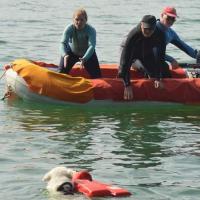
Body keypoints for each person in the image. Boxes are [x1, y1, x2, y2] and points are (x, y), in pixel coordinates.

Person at [118, 15, 171, 100]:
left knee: (165, 68)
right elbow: (125, 60)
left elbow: (160, 57)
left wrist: (158, 78)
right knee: (122, 71)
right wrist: (127, 85)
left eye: (151, 30)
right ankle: (124, 80)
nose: (148, 32)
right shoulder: (134, 34)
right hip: (129, 52)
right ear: (141, 25)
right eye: (146, 29)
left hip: (145, 53)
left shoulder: (160, 35)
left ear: (155, 28)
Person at [59, 8, 101, 78]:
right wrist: (64, 55)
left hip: (87, 54)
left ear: (86, 20)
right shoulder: (69, 29)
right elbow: (63, 43)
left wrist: (85, 58)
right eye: (77, 19)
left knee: (97, 77)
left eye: (82, 20)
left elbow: (92, 46)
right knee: (60, 74)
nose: (79, 22)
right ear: (73, 20)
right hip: (71, 53)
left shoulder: (91, 30)